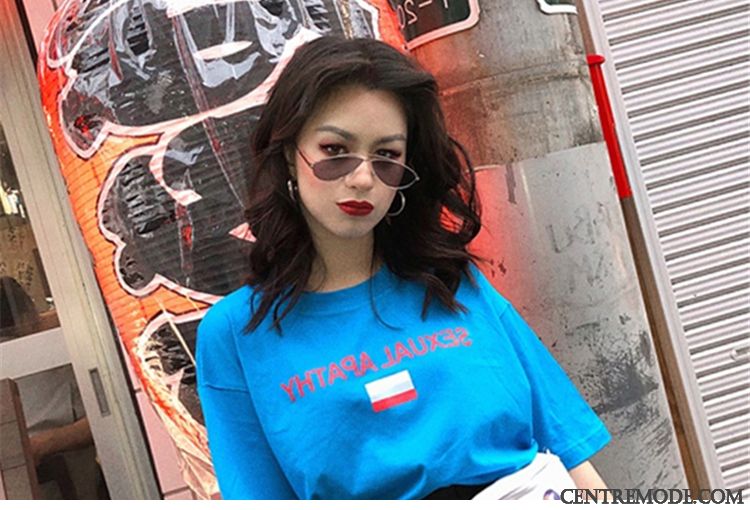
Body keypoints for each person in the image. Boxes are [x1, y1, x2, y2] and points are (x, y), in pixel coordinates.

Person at [195, 35, 611, 500]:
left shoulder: (453, 283)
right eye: (335, 150)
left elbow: (571, 454)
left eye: (387, 156)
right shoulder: (235, 333)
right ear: (291, 154)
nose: (362, 178)